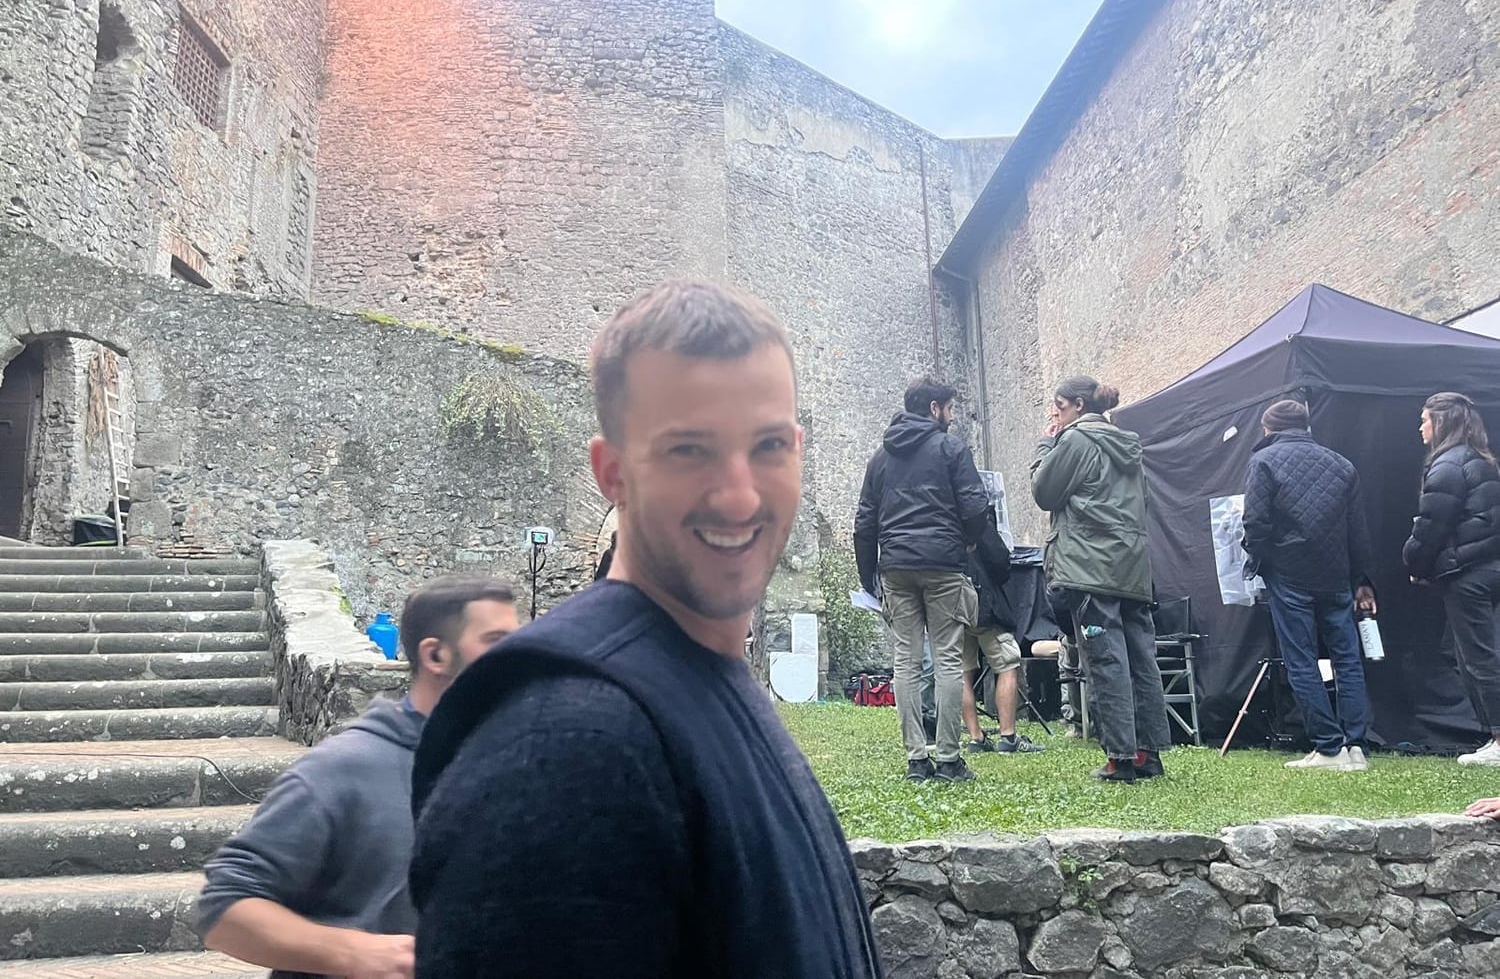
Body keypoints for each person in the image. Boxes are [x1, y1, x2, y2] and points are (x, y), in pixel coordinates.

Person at [408, 282, 881, 978]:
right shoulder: (569, 746)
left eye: (769, 445)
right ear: (612, 473)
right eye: (690, 450)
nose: (740, 494)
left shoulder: (694, 675)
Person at [197, 575, 518, 979]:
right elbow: (224, 910)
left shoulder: (514, 766)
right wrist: (353, 953)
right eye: (497, 642)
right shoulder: (340, 770)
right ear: (436, 655)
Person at [854, 375, 995, 783]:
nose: (952, 417)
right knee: (948, 657)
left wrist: (869, 577)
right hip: (943, 563)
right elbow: (976, 505)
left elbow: (864, 522)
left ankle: (917, 759)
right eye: (949, 409)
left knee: (906, 660)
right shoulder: (951, 449)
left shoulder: (880, 458)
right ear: (934, 409)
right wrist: (967, 542)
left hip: (896, 566)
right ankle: (949, 758)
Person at [1031, 375, 1169, 783]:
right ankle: (1148, 754)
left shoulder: (1076, 440)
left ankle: (1119, 759)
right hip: (1132, 569)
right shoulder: (1128, 446)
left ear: (1078, 405)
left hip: (1091, 569)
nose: (1055, 415)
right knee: (1141, 660)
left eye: (1059, 407)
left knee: (1106, 660)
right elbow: (1145, 503)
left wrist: (1045, 446)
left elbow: (1044, 492)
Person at [1242, 399, 1378, 772]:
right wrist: (1361, 579)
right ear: (1305, 425)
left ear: (1268, 428)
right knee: (1347, 659)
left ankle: (1328, 748)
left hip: (1288, 573)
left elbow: (1255, 521)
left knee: (1301, 660)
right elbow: (1357, 530)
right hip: (1336, 574)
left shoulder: (1263, 461)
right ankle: (1355, 746)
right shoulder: (1342, 464)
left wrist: (1259, 557)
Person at [1403, 391, 1500, 766]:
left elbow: (1432, 525)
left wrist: (1416, 563)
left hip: (1467, 574)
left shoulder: (1447, 465)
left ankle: (1498, 740)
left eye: (1424, 419)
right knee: (1473, 654)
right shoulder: (1483, 461)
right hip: (1488, 568)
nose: (1420, 427)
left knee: (1478, 658)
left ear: (1440, 422)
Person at [961, 507, 1043, 755]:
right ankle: (1008, 737)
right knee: (1007, 663)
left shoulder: (939, 512)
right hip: (982, 597)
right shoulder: (975, 514)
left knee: (961, 671)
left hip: (950, 599)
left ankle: (976, 737)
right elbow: (999, 560)